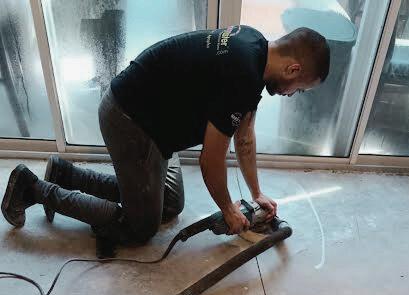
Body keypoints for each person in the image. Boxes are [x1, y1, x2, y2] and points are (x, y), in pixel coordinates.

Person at [1, 25, 330, 250]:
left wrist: (256, 193)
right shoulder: (243, 74)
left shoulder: (255, 46)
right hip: (130, 120)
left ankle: (64, 174)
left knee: (170, 205)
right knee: (140, 228)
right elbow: (210, 160)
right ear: (293, 70)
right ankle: (33, 188)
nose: (292, 94)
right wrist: (228, 209)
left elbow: (244, 137)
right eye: (299, 89)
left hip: (152, 124)